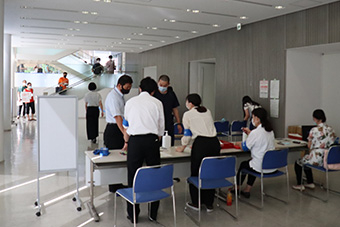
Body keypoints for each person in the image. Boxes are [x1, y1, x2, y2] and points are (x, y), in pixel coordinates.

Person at [122, 77, 164, 223]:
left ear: (139, 88)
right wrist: (155, 141)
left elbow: (126, 124)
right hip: (151, 140)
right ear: (153, 91)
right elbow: (161, 127)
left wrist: (127, 141)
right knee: (154, 175)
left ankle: (133, 214)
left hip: (135, 142)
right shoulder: (157, 103)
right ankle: (153, 213)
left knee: (133, 176)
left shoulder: (130, 102)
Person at [176, 93, 220, 212]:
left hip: (201, 144)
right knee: (210, 172)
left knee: (196, 172)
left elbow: (187, 134)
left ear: (190, 103)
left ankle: (196, 202)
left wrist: (182, 146)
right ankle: (209, 203)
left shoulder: (188, 114)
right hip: (215, 143)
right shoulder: (207, 111)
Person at [234, 108, 275, 198]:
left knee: (244, 165)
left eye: (252, 117)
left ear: (257, 118)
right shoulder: (270, 131)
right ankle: (247, 189)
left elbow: (245, 147)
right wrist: (251, 133)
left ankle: (236, 188)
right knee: (251, 163)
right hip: (270, 165)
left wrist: (239, 144)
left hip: (260, 165)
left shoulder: (256, 133)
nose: (252, 120)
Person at [292, 109, 336, 191]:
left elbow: (309, 146)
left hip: (317, 159)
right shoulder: (331, 129)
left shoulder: (314, 130)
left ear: (314, 118)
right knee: (306, 159)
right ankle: (310, 182)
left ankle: (300, 184)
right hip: (328, 158)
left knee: (299, 162)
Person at [103, 75, 133, 193]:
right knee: (115, 158)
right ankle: (114, 186)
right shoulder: (113, 97)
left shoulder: (120, 96)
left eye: (130, 87)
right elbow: (118, 117)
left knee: (120, 157)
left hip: (118, 128)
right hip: (114, 130)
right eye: (127, 87)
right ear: (120, 85)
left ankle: (117, 184)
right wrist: (125, 134)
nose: (128, 89)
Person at [154, 75, 182, 145]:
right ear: (158, 83)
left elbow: (175, 109)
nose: (162, 87)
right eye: (160, 85)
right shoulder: (154, 94)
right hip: (156, 123)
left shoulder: (171, 94)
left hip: (168, 122)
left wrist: (178, 123)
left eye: (165, 85)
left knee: (169, 143)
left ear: (168, 84)